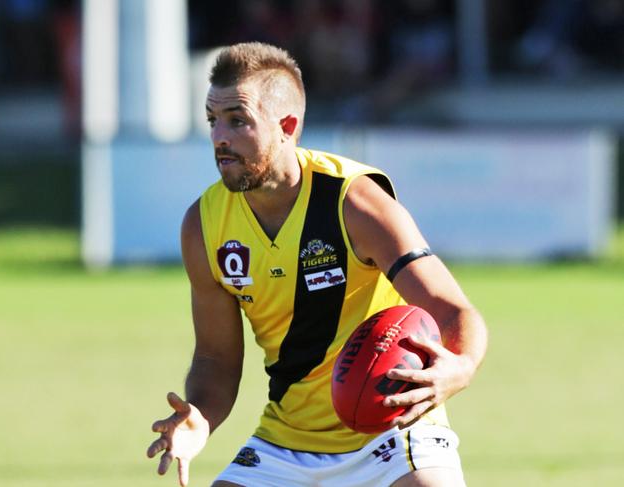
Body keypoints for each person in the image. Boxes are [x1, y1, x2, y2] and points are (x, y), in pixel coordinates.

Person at [147, 42, 487, 487]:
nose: (219, 138)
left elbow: (453, 310)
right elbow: (215, 359)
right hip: (284, 444)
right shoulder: (204, 226)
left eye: (237, 120)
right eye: (212, 121)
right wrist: (200, 419)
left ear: (286, 125)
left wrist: (457, 369)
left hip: (392, 432)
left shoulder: (356, 203)